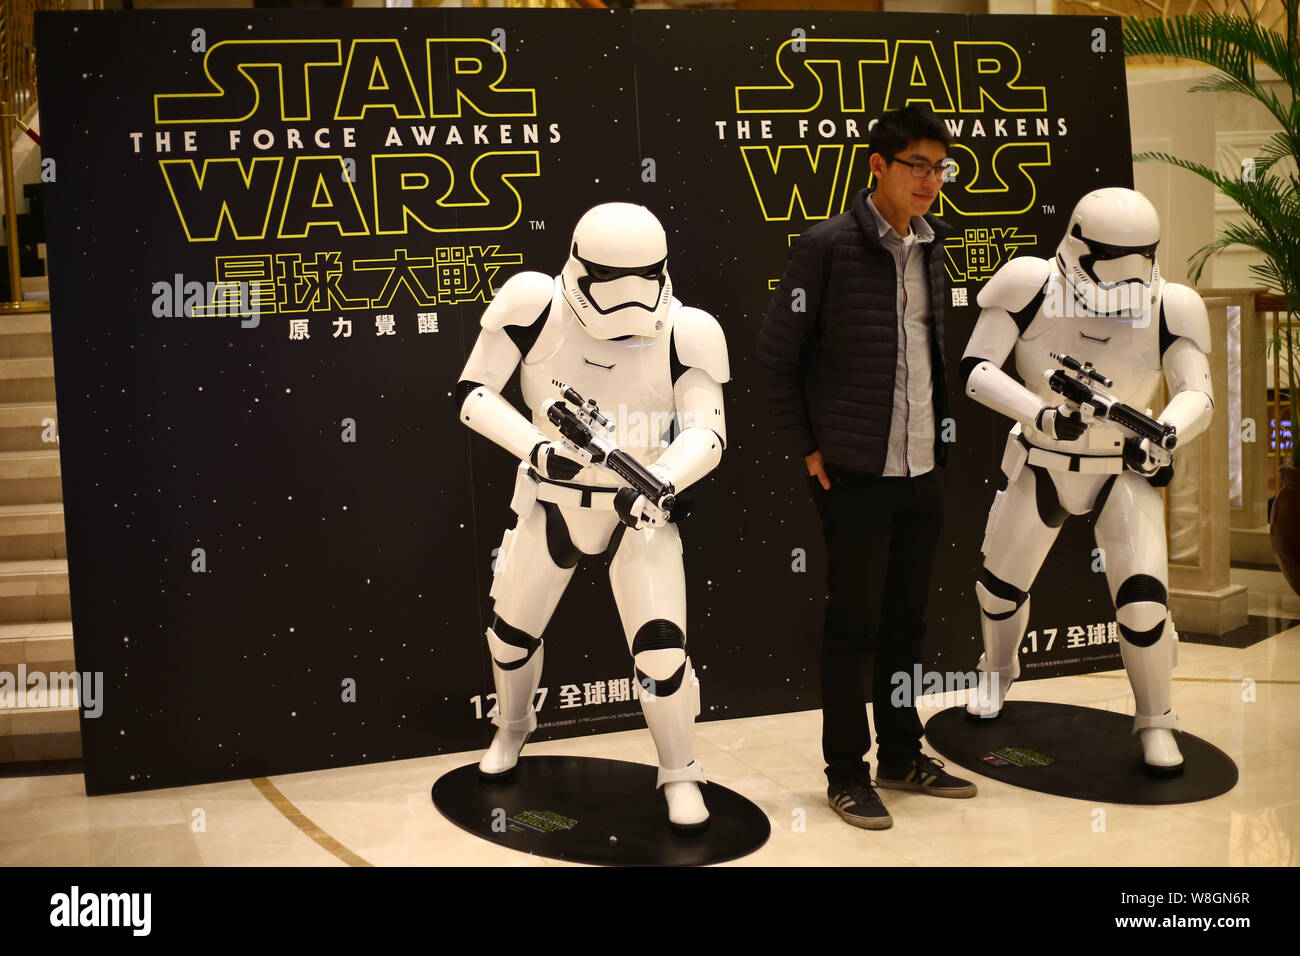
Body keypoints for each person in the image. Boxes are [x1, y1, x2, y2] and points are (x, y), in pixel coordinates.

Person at [455, 202, 730, 831]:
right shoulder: (533, 305)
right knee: (510, 636)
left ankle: (680, 769)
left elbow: (707, 435)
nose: (625, 302)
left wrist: (657, 480)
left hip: (639, 508)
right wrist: (537, 450)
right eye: (609, 283)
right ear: (580, 267)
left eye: (641, 281)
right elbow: (475, 395)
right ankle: (513, 726)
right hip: (551, 497)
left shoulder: (688, 330)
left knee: (662, 651)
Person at [756, 105, 977, 830]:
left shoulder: (934, 246)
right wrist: (808, 447)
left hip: (920, 466)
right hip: (853, 469)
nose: (931, 180)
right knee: (852, 625)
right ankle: (846, 772)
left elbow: (924, 357)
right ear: (877, 167)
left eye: (940, 167)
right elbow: (776, 357)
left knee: (907, 625)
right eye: (917, 165)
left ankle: (904, 753)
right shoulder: (826, 248)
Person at [961, 187, 1213, 775]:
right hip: (1041, 457)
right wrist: (1041, 414)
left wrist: (1163, 434)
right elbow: (977, 370)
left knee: (1144, 605)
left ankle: (1156, 717)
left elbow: (1196, 392)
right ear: (1077, 242)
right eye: (1106, 262)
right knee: (998, 591)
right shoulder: (1028, 283)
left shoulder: (1170, 304)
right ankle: (997, 672)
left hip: (1122, 470)